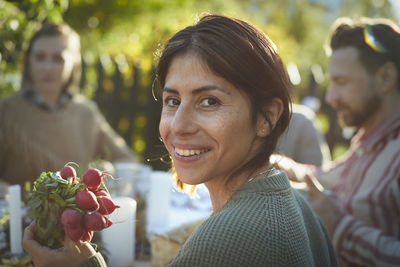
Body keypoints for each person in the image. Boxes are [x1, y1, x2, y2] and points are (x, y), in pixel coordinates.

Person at [22, 14, 338, 266]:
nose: (179, 125)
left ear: (266, 118)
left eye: (209, 101)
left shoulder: (229, 239)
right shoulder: (296, 203)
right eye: (173, 101)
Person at [273, 17, 400, 266]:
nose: (330, 97)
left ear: (385, 78)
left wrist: (339, 227)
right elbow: (326, 177)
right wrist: (275, 163)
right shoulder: (368, 144)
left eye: (341, 82)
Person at [0, 23, 136, 188]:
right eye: (40, 57)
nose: (47, 67)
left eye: (58, 59)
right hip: (17, 213)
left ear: (74, 63)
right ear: (29, 60)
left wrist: (107, 171)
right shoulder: (6, 111)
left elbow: (127, 160)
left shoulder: (85, 113)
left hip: (75, 213)